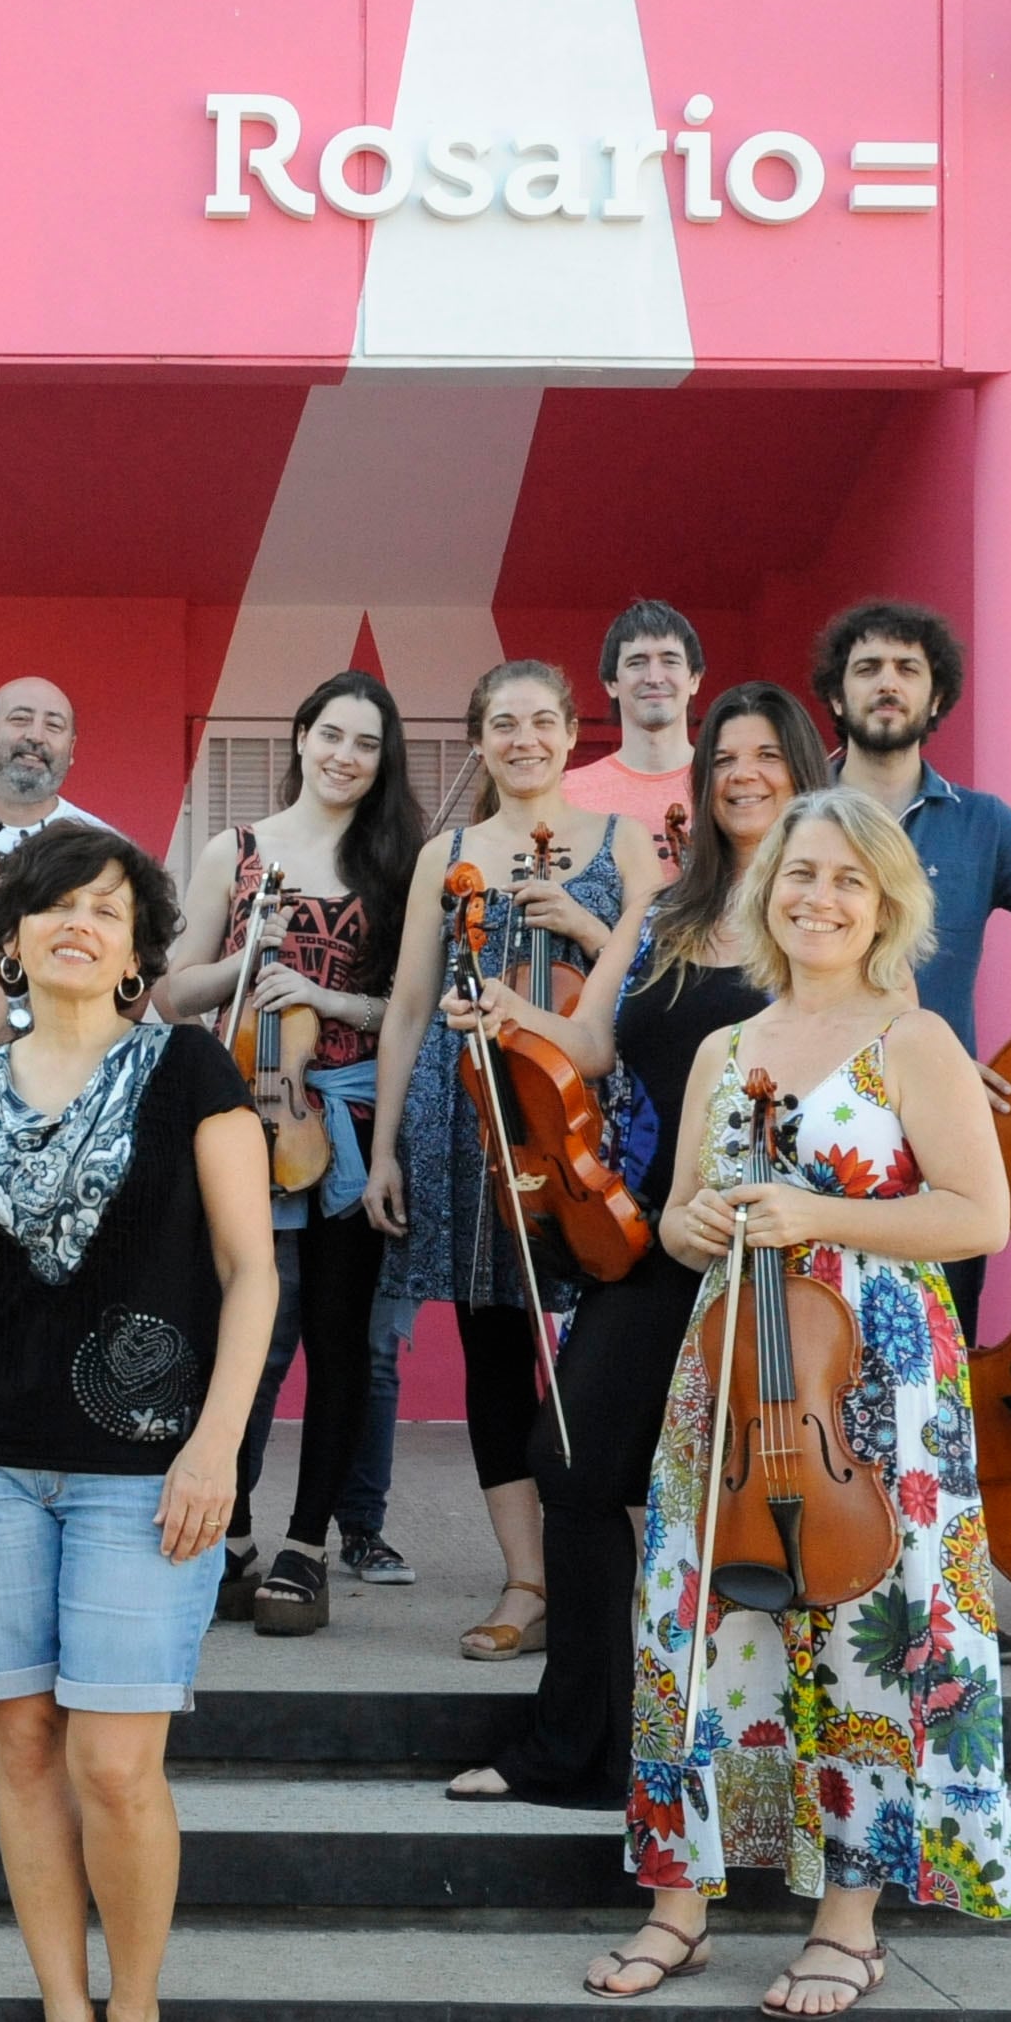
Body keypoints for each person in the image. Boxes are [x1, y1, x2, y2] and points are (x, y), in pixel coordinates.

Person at [0, 825, 276, 2022]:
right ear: (14, 938)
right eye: (54, 907)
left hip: (149, 1468)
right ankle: (64, 2020)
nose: (78, 926)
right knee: (26, 1746)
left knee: (117, 1758)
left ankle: (141, 2019)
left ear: (136, 948)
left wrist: (217, 1444)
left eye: (107, 910)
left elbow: (250, 1273)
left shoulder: (190, 1072)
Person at [598, 786, 1011, 2017]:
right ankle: (678, 1900)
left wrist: (815, 1214)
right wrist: (693, 1222)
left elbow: (973, 1217)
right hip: (730, 1368)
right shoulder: (723, 1051)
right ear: (762, 893)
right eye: (797, 875)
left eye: (845, 878)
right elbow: (676, 1223)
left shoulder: (915, 1039)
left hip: (874, 1379)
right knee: (695, 1622)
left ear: (886, 900)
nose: (818, 898)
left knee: (862, 1624)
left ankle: (847, 1921)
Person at [448, 683, 825, 1804]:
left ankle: (782, 1764)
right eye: (724, 758)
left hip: (793, 1250)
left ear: (803, 773)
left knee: (773, 1502)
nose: (742, 773)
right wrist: (502, 1020)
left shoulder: (826, 908)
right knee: (573, 1464)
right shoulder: (663, 912)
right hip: (664, 1230)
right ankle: (581, 1752)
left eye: (766, 755)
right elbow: (591, 1042)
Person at [364, 659, 661, 1660]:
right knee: (494, 1354)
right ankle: (526, 1581)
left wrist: (585, 925)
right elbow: (408, 1005)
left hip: (589, 1127)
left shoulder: (623, 845)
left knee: (605, 1353)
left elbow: (652, 987)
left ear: (572, 731)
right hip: (471, 1124)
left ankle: (610, 1567)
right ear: (478, 739)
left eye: (541, 721)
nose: (523, 738)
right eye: (502, 723)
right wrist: (383, 1148)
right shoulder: (444, 853)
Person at [151, 669, 421, 1634]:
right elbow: (171, 996)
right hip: (244, 1120)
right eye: (332, 735)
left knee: (343, 1341)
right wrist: (248, 961)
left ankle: (308, 1546)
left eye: (367, 744)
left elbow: (413, 1008)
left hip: (346, 1120)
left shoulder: (402, 863)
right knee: (242, 1338)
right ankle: (229, 1535)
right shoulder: (240, 850)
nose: (346, 757)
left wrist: (336, 1000)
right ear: (301, 736)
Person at [813, 597, 1011, 1343]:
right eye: (867, 669)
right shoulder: (797, 817)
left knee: (937, 1357)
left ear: (936, 697)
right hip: (808, 1122)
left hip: (937, 1141)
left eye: (906, 669)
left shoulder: (983, 822)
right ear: (838, 694)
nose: (886, 683)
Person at [562, 599, 705, 848]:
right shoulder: (566, 793)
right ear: (611, 683)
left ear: (694, 678)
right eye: (637, 662)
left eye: (670, 660)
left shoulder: (728, 784)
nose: (653, 678)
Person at [0, 674, 105, 852]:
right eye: (20, 719)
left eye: (53, 725)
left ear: (71, 748)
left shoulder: (99, 847)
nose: (36, 736)